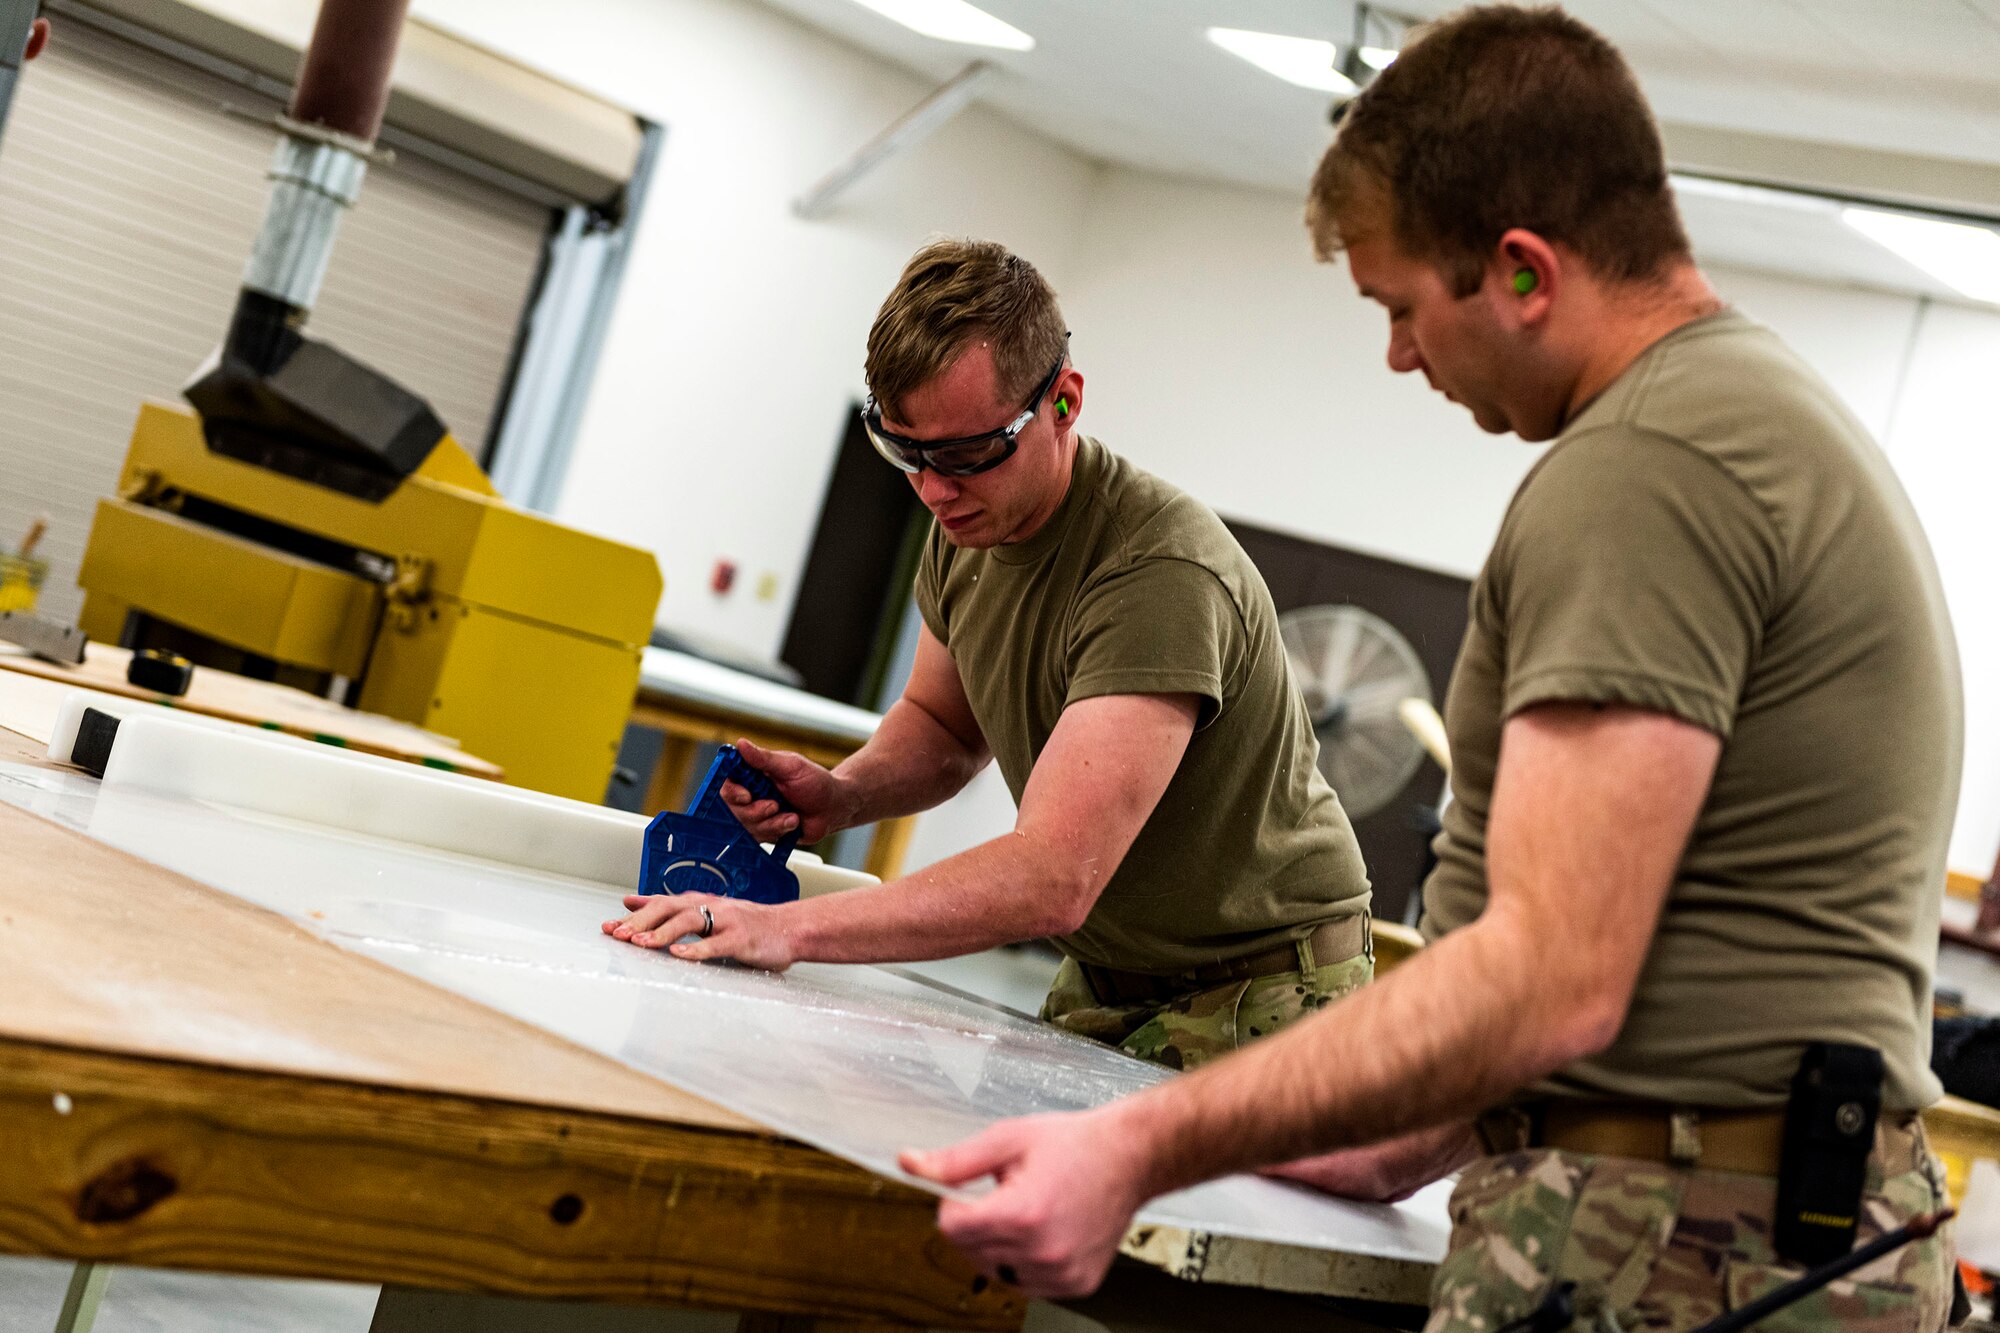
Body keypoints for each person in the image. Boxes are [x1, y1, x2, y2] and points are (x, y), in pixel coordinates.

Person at [897, 8, 1965, 1327]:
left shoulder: (1652, 464)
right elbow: (1645, 940)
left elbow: (1550, 974)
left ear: (1520, 271)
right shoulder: (1737, 418)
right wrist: (1389, 1142)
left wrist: (1134, 1145)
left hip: (1678, 1243)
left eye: (1401, 307)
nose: (1400, 353)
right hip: (1729, 1215)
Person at [605, 238, 1374, 1071]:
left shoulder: (1158, 573)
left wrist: (785, 927)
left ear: (1064, 403)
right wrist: (843, 793)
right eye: (908, 452)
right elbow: (942, 725)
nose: (936, 490)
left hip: (1267, 992)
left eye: (969, 455)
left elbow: (1054, 875)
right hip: (1111, 973)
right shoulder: (966, 525)